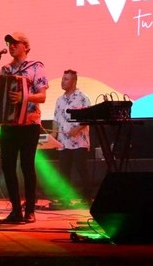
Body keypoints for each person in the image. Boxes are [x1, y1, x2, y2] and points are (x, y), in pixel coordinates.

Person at [0, 32, 48, 224]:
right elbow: (0, 94)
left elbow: (42, 96)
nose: (11, 46)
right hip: (9, 124)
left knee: (27, 165)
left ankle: (30, 210)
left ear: (26, 46)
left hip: (29, 123)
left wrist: (24, 97)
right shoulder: (5, 69)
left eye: (15, 43)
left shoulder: (36, 67)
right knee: (7, 166)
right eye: (9, 43)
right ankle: (15, 210)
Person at [53, 69, 92, 206]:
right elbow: (56, 119)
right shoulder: (59, 100)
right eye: (62, 79)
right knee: (64, 171)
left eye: (66, 79)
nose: (62, 81)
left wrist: (77, 129)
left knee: (81, 169)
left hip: (79, 141)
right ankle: (65, 198)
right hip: (63, 142)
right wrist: (53, 135)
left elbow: (89, 117)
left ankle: (87, 198)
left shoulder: (82, 97)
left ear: (74, 81)